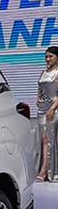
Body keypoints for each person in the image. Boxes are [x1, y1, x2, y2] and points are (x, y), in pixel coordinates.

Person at [36, 46, 58, 181]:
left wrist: (52, 108)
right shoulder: (43, 72)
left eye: (51, 56)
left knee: (50, 139)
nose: (48, 59)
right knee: (43, 139)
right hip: (42, 109)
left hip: (53, 109)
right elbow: (40, 87)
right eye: (46, 56)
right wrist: (37, 98)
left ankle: (47, 171)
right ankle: (45, 169)